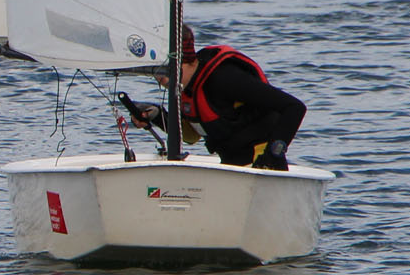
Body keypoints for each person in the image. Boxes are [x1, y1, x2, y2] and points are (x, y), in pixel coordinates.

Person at [129, 26, 306, 170]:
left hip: (262, 167)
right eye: (156, 71)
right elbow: (190, 136)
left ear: (185, 61)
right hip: (231, 167)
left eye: (165, 69)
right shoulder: (185, 89)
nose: (160, 78)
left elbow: (294, 107)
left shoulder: (225, 78)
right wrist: (157, 115)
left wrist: (274, 154)